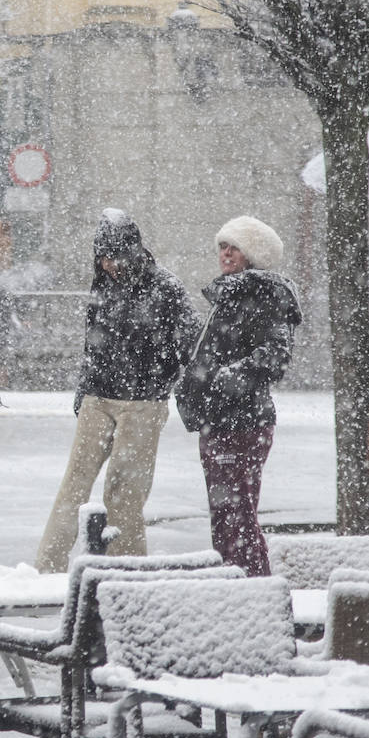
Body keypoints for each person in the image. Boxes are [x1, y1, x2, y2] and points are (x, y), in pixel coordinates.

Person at [35, 209, 199, 571]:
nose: (108, 265)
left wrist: (163, 371)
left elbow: (192, 342)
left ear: (134, 251)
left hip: (143, 403)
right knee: (74, 487)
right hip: (99, 397)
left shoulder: (166, 287)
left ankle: (125, 570)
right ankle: (48, 568)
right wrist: (84, 387)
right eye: (102, 258)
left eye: (114, 257)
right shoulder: (104, 285)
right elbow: (93, 343)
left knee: (124, 493)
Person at [174, 216, 302, 576]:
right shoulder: (230, 293)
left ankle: (252, 591)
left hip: (241, 422)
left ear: (253, 254)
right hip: (218, 421)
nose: (226, 253)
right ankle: (238, 586)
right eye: (222, 246)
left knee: (237, 518)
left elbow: (276, 355)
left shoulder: (263, 295)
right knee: (227, 516)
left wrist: (224, 380)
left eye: (235, 247)